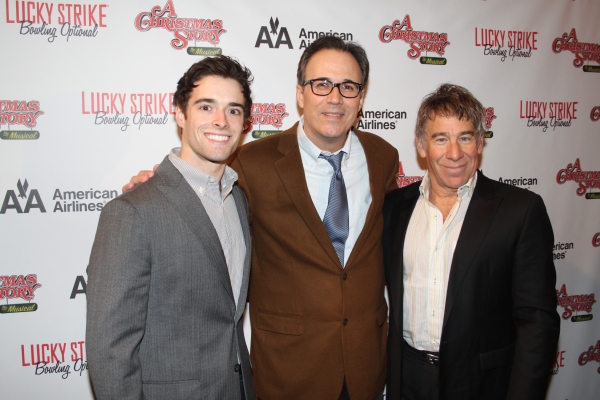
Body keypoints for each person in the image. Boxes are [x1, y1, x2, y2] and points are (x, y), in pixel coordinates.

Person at [124, 36, 399, 400]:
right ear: (301, 94)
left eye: (348, 87)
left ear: (361, 97)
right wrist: (153, 186)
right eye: (321, 85)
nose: (335, 97)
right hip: (289, 371)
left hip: (368, 365)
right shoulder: (251, 162)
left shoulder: (383, 157)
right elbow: (200, 190)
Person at [86, 55, 256, 400]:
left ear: (245, 123)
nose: (221, 121)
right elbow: (110, 352)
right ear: (180, 113)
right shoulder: (132, 212)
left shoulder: (238, 200)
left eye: (234, 110)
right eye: (206, 107)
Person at [383, 84, 560, 400]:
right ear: (421, 145)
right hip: (407, 377)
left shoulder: (520, 210)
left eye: (464, 137)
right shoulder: (396, 207)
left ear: (480, 142)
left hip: (483, 385)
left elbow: (537, 323)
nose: (454, 153)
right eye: (441, 139)